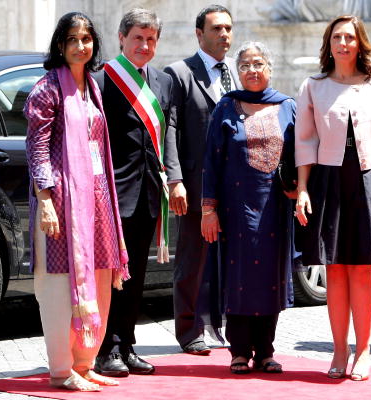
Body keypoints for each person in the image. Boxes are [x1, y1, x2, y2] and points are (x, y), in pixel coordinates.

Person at [294, 15, 371, 381]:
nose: (343, 43)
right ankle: (339, 349)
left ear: (360, 43)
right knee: (334, 268)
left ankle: (364, 351)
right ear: (328, 44)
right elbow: (304, 141)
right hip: (327, 182)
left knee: (361, 270)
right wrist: (302, 190)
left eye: (349, 37)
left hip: (369, 180)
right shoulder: (313, 85)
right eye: (336, 37)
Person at [24, 12, 129, 392]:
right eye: (72, 39)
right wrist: (46, 199)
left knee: (99, 277)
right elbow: (36, 149)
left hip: (97, 199)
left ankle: (84, 362)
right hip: (61, 202)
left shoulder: (93, 88)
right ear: (59, 45)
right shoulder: (47, 89)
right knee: (58, 285)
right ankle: (60, 368)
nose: (80, 46)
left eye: (86, 39)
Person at [201, 41, 295, 374]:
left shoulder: (287, 106)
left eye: (258, 64)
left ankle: (266, 350)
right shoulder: (226, 107)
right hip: (235, 209)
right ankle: (239, 350)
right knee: (239, 276)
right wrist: (208, 208)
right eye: (245, 65)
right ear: (237, 71)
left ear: (270, 68)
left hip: (275, 209)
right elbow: (211, 160)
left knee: (270, 276)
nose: (252, 70)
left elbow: (301, 155)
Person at [93, 8, 178, 376]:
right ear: (122, 38)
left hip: (149, 192)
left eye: (150, 39)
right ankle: (105, 348)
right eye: (138, 38)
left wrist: (175, 179)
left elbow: (168, 134)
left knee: (137, 273)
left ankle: (127, 345)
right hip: (114, 192)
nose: (144, 45)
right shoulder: (102, 79)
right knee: (112, 274)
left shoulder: (162, 82)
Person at [163, 4, 240, 356]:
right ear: (199, 34)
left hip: (233, 184)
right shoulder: (179, 73)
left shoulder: (237, 75)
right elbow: (171, 128)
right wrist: (174, 178)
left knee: (225, 259)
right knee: (192, 260)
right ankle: (189, 330)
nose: (224, 35)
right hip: (194, 185)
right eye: (216, 29)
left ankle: (222, 325)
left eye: (228, 28)